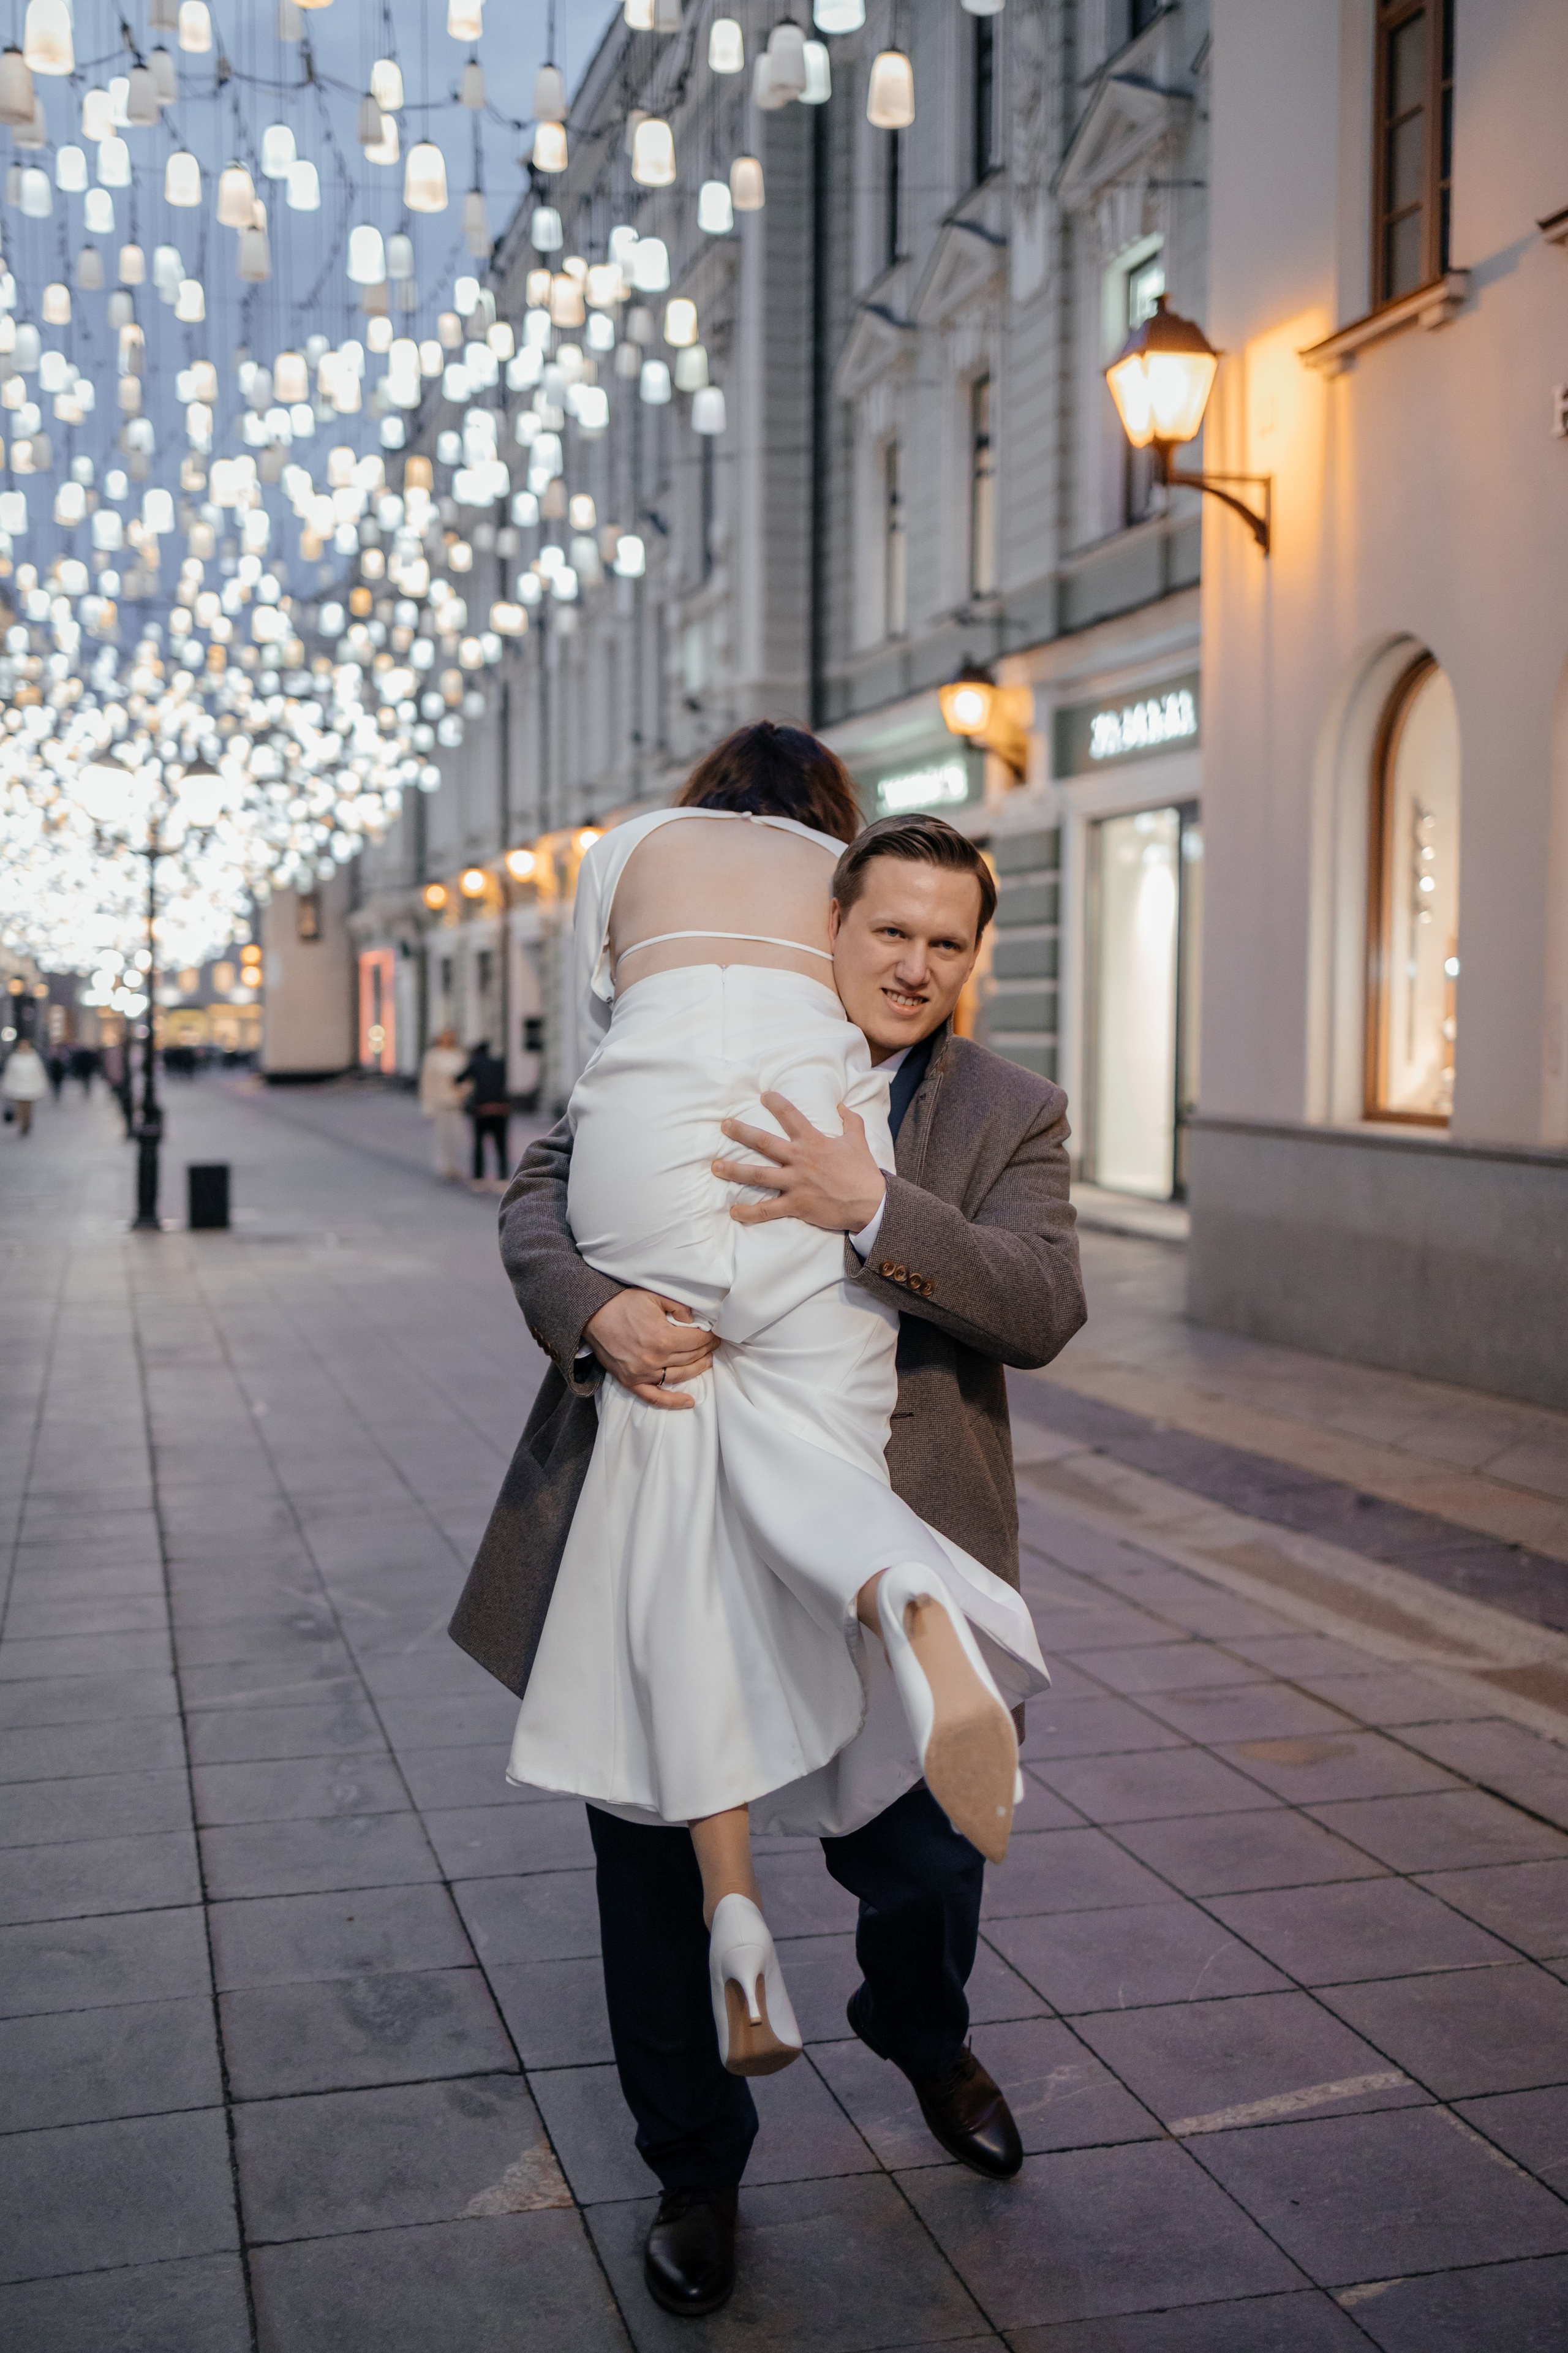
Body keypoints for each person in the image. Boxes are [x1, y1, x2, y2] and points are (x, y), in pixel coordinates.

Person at [452, 731, 1085, 2317]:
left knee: (931, 1858)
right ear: (831, 915)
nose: (911, 963)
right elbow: (539, 1196)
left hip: (888, 1507)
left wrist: (867, 1208)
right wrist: (594, 1304)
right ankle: (694, 2170)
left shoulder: (1003, 1107)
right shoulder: (690, 1051)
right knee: (653, 1851)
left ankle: (920, 2037)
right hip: (655, 1466)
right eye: (885, 931)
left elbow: (1043, 1303)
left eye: (943, 943)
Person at [417, 1026, 468, 1181]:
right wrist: (427, 1105)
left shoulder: (459, 1055)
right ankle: (443, 1165)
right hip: (439, 1100)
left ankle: (454, 1164)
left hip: (456, 1101)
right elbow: (427, 1082)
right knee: (441, 1135)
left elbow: (467, 1079)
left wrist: (464, 1093)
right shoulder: (433, 1056)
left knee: (456, 1135)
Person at [459, 1040, 511, 1186]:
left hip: (481, 1109)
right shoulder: (499, 1063)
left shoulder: (475, 1062)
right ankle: (503, 1176)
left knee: (479, 1145)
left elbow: (459, 1078)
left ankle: (478, 1177)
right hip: (500, 1108)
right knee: (501, 1145)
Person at [2, 1037, 48, 1136]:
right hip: (18, 1088)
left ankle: (27, 1124)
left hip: (31, 1088)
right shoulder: (14, 1058)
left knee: (28, 1108)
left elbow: (39, 1074)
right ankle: (22, 1125)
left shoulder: (34, 1058)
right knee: (20, 1108)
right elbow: (10, 1074)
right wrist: (7, 1088)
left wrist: (41, 1087)